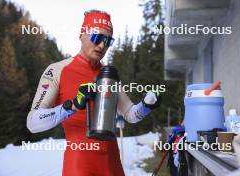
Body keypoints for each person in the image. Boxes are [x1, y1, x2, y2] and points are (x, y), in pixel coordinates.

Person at [26, 10, 161, 176]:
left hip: (111, 164)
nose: (102, 45)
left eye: (108, 40)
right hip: (79, 165)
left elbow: (130, 114)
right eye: (97, 37)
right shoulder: (58, 70)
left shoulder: (108, 76)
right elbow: (33, 123)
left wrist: (147, 105)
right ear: (82, 34)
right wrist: (72, 106)